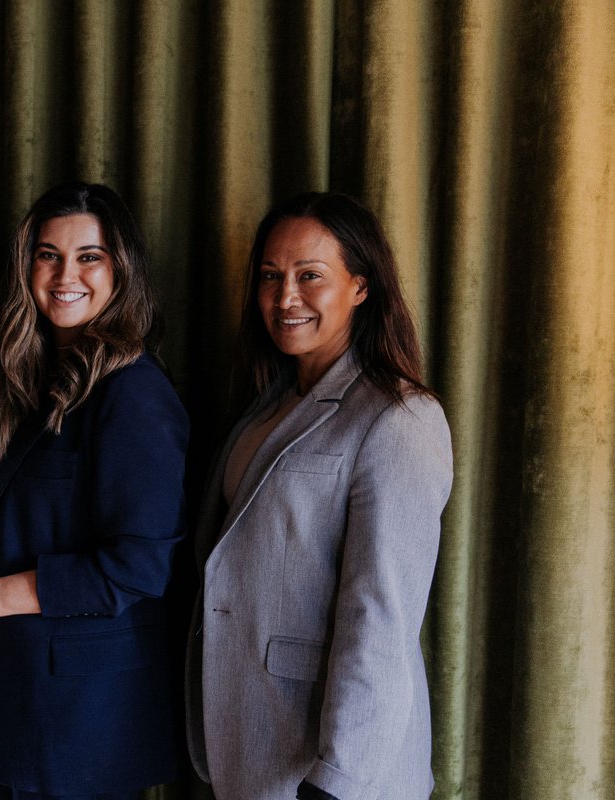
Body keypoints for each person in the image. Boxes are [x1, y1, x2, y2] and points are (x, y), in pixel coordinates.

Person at [0, 182, 189, 800]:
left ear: (122, 270)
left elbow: (137, 568)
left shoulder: (134, 393)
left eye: (90, 256)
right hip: (16, 702)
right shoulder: (28, 378)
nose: (66, 274)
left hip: (87, 724)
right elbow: (9, 509)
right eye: (47, 254)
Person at [187, 191, 454, 800]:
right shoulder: (265, 406)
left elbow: (380, 618)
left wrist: (338, 782)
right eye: (271, 277)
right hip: (247, 741)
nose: (285, 298)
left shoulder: (399, 417)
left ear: (361, 287)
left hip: (329, 767)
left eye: (311, 276)